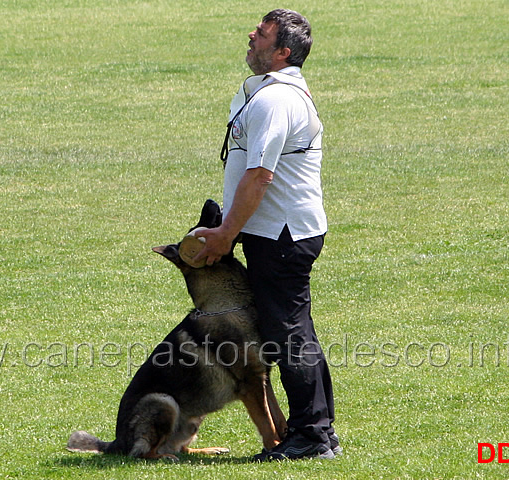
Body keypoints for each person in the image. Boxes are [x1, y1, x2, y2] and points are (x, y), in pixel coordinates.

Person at [193, 9, 341, 461]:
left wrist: (224, 235)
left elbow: (260, 176)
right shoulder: (266, 92)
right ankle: (316, 431)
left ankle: (312, 437)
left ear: (282, 52)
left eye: (262, 34)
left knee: (289, 334)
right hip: (273, 232)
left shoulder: (278, 100)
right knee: (292, 330)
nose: (251, 36)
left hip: (281, 236)